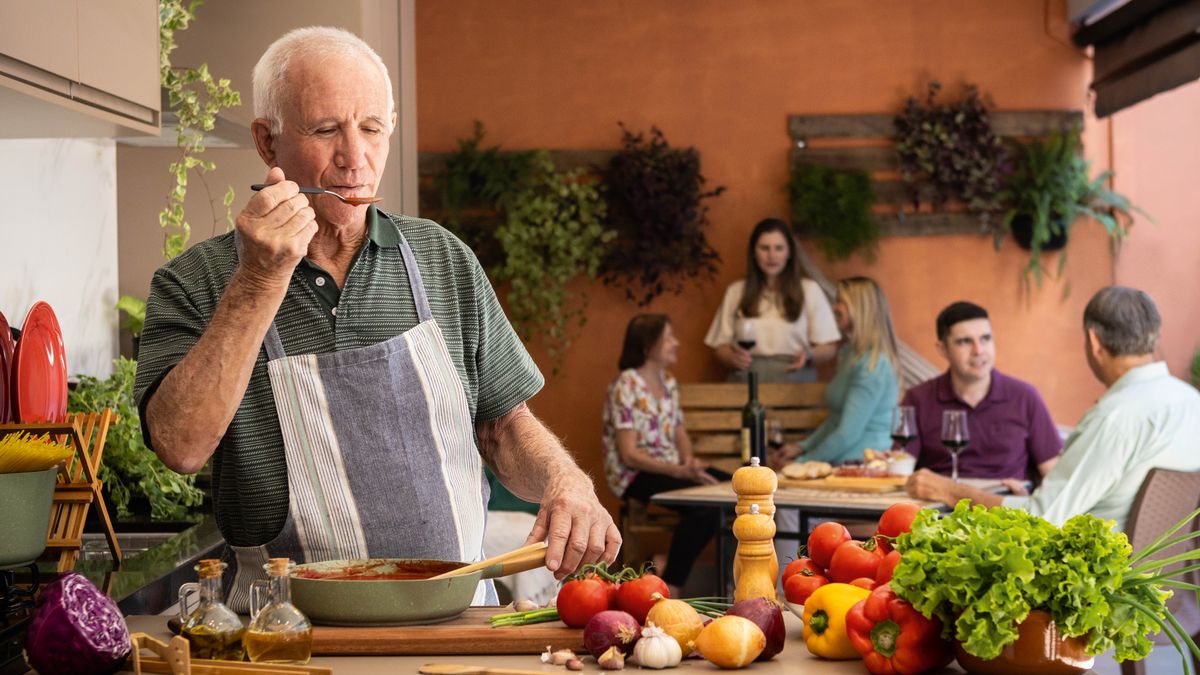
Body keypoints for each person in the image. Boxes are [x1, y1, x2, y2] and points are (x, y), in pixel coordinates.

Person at [133, 27, 618, 610]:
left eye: (371, 128)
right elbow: (179, 446)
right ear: (267, 142)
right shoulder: (196, 281)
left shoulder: (443, 258)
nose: (355, 159)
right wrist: (259, 280)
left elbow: (501, 427)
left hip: (455, 618)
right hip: (284, 633)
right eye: (325, 129)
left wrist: (565, 481)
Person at [907, 286, 1200, 531]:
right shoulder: (1191, 401)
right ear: (1154, 335)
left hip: (1101, 581)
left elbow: (1043, 518)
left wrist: (947, 490)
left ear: (1093, 341)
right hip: (1165, 580)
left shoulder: (1115, 418)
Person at [604, 314, 728, 597]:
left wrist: (688, 462)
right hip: (636, 475)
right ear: (648, 347)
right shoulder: (626, 386)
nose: (676, 343)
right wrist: (678, 472)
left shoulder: (668, 383)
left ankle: (667, 565)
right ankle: (671, 582)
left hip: (672, 468)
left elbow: (678, 430)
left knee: (737, 486)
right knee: (706, 504)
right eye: (668, 338)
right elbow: (629, 454)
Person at [901, 301, 1061, 482]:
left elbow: (1054, 476)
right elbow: (900, 472)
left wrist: (1027, 497)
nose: (978, 351)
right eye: (965, 342)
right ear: (943, 349)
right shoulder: (917, 399)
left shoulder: (1024, 397)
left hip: (1004, 506)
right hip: (940, 507)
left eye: (985, 339)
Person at [773, 276, 900, 466]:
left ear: (860, 308)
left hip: (863, 466)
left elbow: (847, 433)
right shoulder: (849, 354)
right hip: (841, 462)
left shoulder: (873, 365)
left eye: (841, 302)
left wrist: (802, 463)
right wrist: (803, 446)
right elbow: (836, 420)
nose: (834, 308)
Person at [704, 218, 840, 383]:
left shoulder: (809, 290)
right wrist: (731, 358)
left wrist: (809, 355)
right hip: (746, 381)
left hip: (795, 382)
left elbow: (829, 347)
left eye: (779, 248)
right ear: (754, 252)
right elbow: (720, 346)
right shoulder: (736, 291)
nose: (772, 255)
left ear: (789, 252)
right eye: (764, 248)